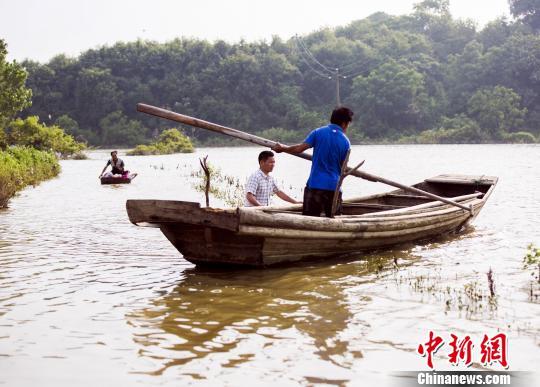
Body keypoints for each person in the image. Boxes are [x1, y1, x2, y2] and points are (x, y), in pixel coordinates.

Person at [272, 106, 353, 217]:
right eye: (348, 124)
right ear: (344, 123)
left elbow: (299, 149)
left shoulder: (318, 132)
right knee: (334, 221)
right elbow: (343, 166)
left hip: (316, 185)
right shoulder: (346, 141)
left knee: (309, 219)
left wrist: (282, 149)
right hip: (334, 187)